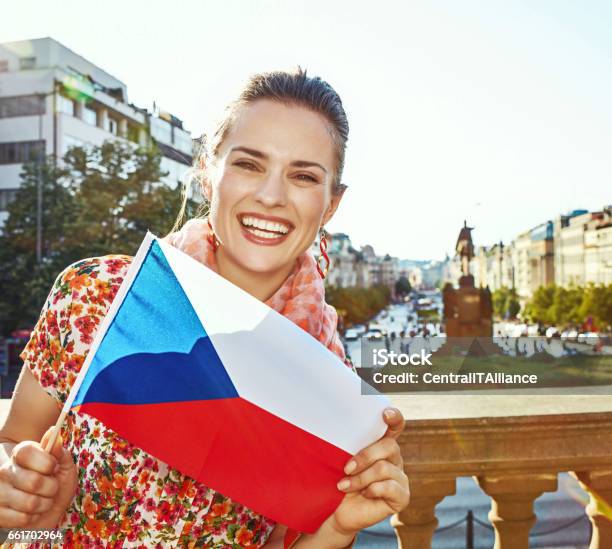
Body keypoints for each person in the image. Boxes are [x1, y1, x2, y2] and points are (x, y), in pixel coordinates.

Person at [0, 69, 410, 548]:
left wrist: (341, 526)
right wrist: (27, 512)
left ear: (332, 203)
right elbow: (13, 449)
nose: (271, 196)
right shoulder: (99, 296)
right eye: (248, 164)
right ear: (206, 172)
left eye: (303, 176)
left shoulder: (327, 383)